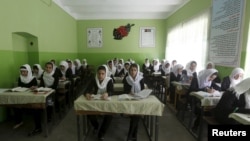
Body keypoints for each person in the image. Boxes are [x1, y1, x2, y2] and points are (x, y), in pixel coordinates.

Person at [28, 62, 60, 136]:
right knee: (37, 102)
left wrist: (46, 89)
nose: (48, 69)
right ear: (45, 68)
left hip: (52, 93)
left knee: (49, 103)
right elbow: (42, 85)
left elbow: (55, 87)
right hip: (44, 92)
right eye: (47, 67)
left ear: (52, 68)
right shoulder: (43, 74)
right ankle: (41, 115)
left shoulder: (56, 74)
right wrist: (38, 88)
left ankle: (49, 116)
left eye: (50, 67)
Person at [85, 65, 113, 140]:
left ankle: (101, 133)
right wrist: (87, 93)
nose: (100, 75)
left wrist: (107, 94)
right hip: (96, 101)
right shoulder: (94, 79)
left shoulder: (109, 80)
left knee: (110, 115)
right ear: (97, 73)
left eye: (102, 73)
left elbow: (111, 91)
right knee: (88, 112)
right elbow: (87, 90)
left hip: (106, 101)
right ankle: (96, 126)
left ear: (106, 73)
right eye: (99, 73)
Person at [123, 63, 145, 141]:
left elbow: (143, 90)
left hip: (139, 100)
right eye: (131, 70)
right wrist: (129, 93)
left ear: (137, 71)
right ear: (129, 71)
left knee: (135, 117)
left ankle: (130, 136)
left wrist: (140, 95)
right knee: (135, 118)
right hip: (129, 100)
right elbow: (124, 91)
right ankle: (134, 136)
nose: (133, 72)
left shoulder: (141, 78)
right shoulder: (126, 79)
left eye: (135, 70)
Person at [13, 64, 38, 129]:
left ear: (29, 71)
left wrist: (34, 87)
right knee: (15, 105)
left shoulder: (33, 78)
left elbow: (36, 87)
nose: (23, 73)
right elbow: (19, 87)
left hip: (31, 97)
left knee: (34, 108)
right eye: (22, 71)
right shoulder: (20, 78)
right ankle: (19, 121)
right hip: (22, 96)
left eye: (25, 71)